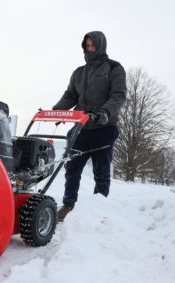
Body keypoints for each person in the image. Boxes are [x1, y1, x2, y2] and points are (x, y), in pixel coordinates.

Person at [52, 31, 127, 221]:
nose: (90, 48)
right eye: (87, 45)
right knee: (72, 169)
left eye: (93, 45)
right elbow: (70, 95)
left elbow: (118, 95)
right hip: (81, 130)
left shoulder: (114, 68)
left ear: (101, 45)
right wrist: (58, 110)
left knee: (101, 172)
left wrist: (104, 112)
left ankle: (98, 210)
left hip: (104, 128)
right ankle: (68, 205)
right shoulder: (79, 72)